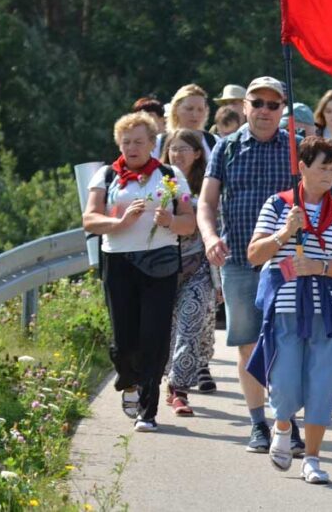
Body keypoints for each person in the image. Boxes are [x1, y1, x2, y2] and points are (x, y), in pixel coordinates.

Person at [246, 137, 332, 484]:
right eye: (322, 167)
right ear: (303, 168)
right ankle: (282, 426)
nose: (329, 174)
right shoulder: (278, 206)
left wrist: (320, 267)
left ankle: (312, 457)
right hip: (284, 309)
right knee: (285, 382)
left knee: (323, 385)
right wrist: (284, 233)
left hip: (326, 310)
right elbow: (254, 255)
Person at [197, 76, 297, 453]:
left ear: (283, 109)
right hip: (239, 259)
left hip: (288, 262)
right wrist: (209, 237)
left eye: (274, 105)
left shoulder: (297, 149)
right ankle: (259, 423)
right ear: (244, 106)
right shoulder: (226, 148)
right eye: (258, 103)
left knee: (288, 343)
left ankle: (286, 420)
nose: (265, 112)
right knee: (247, 344)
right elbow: (206, 203)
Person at [83, 112, 196, 432]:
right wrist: (120, 224)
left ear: (151, 144)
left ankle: (148, 409)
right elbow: (90, 220)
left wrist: (170, 222)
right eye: (126, 142)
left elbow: (189, 221)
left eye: (138, 142)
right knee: (123, 342)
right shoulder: (106, 177)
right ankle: (129, 382)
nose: (131, 148)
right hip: (119, 262)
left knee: (155, 336)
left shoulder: (171, 176)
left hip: (160, 261)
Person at [160, 129, 217, 415]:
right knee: (167, 330)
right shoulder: (156, 183)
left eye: (184, 149)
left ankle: (179, 390)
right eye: (173, 149)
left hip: (198, 267)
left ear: (197, 153)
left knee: (191, 321)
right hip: (161, 268)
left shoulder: (208, 187)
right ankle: (168, 377)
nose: (177, 154)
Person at [154, 84, 217, 158]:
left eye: (200, 110)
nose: (195, 114)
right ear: (176, 109)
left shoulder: (214, 141)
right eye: (189, 109)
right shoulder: (159, 142)